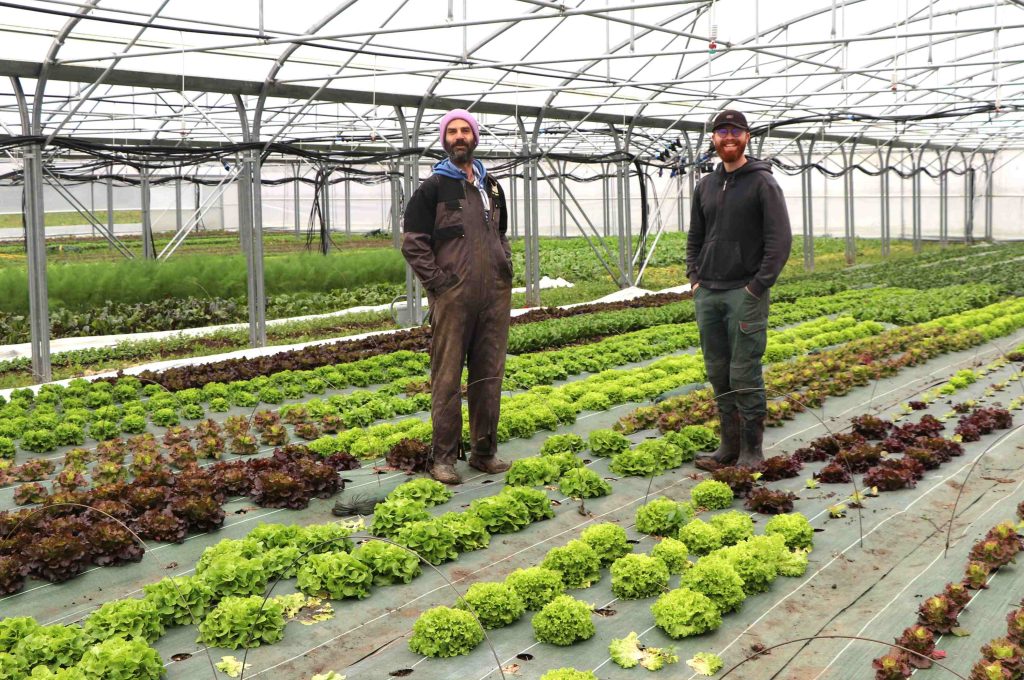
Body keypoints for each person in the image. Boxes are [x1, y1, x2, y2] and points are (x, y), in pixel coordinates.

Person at [401, 109, 514, 485]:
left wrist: (504, 267)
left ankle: (485, 452)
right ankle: (444, 458)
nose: (459, 137)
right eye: (452, 132)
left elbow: (500, 235)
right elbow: (413, 244)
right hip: (454, 297)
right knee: (447, 377)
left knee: (489, 374)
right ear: (444, 140)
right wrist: (439, 283)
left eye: (465, 130)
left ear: (475, 138)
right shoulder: (433, 188)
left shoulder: (493, 187)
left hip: (493, 297)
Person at [687, 109, 792, 471]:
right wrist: (695, 278)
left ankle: (752, 451)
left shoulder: (762, 183)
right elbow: (695, 237)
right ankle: (728, 448)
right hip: (709, 293)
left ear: (746, 137)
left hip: (743, 293)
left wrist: (756, 287)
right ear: (713, 140)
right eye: (721, 132)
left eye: (735, 131)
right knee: (718, 371)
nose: (728, 137)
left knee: (744, 371)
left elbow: (779, 241)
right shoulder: (706, 185)